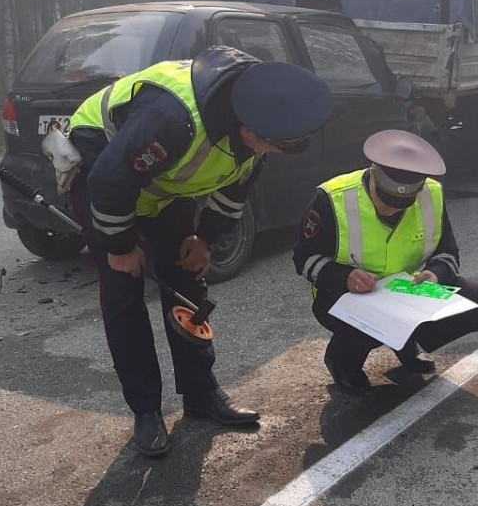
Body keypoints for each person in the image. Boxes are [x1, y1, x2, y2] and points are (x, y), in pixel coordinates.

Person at [69, 46, 332, 456]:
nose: (265, 155)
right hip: (101, 167)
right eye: (267, 147)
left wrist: (205, 239)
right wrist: (120, 246)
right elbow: (108, 182)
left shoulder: (261, 121)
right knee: (124, 292)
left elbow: (234, 190)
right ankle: (145, 411)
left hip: (164, 187)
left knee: (187, 284)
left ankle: (200, 394)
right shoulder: (173, 120)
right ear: (247, 126)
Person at [293, 129, 478, 396]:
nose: (391, 209)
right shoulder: (332, 196)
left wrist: (435, 275)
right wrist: (343, 277)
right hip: (344, 297)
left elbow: (447, 253)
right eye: (385, 199)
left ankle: (407, 340)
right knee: (369, 325)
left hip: (408, 294)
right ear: (372, 174)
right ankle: (342, 360)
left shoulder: (431, 194)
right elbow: (304, 257)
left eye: (401, 204)